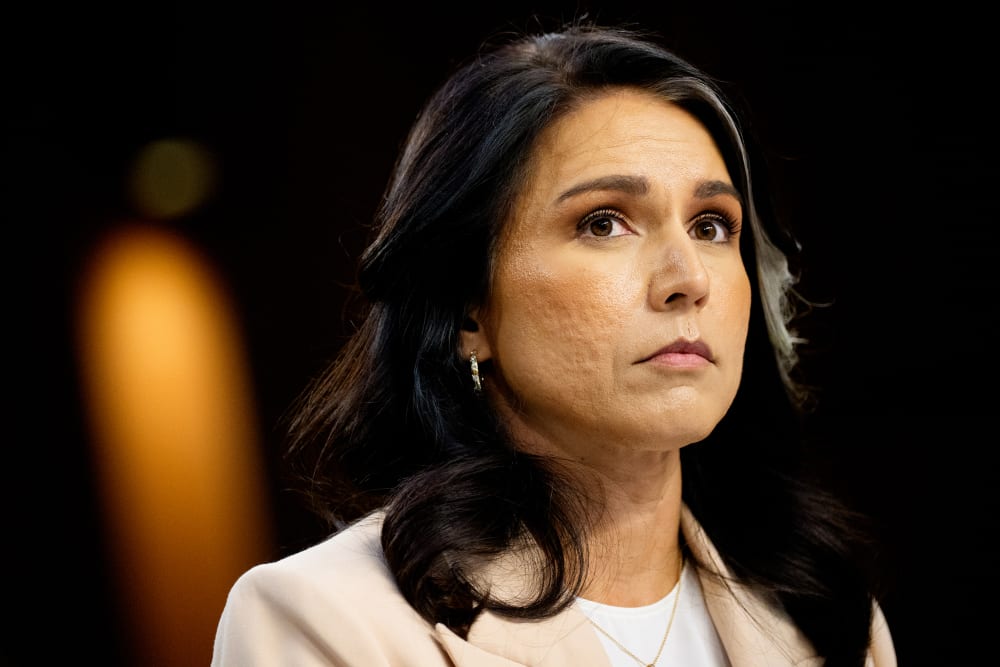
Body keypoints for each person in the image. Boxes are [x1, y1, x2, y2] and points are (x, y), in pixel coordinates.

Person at [212, 22, 896, 667]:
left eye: (713, 226)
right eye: (604, 223)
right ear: (466, 310)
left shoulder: (827, 617)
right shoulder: (330, 621)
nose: (688, 279)